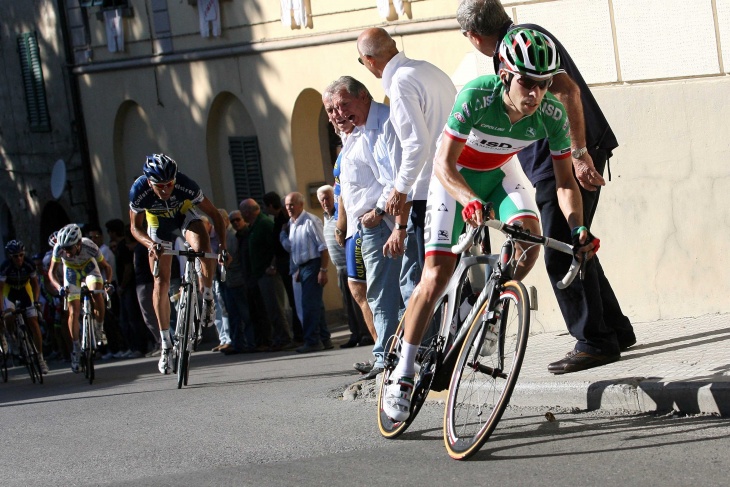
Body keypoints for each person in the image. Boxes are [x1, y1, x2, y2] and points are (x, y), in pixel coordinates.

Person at [381, 28, 597, 421]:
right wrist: (469, 200)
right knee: (434, 277)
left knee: (529, 240)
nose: (535, 94)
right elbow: (443, 164)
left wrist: (578, 227)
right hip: (455, 180)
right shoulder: (478, 96)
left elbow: (565, 183)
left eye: (544, 84)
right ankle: (403, 372)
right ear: (505, 76)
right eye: (527, 83)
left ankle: (491, 311)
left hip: (499, 173)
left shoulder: (550, 113)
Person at [456, 0, 635, 374]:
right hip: (557, 159)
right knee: (574, 242)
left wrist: (580, 154)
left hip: (566, 159)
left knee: (557, 249)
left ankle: (594, 342)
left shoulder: (521, 43)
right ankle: (614, 330)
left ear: (473, 36)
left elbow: (568, 92)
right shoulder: (520, 38)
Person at [356, 27, 457, 294]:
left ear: (370, 60)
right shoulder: (428, 69)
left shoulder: (401, 81)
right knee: (457, 274)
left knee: (435, 282)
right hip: (458, 180)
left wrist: (400, 190)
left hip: (431, 191)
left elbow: (416, 145)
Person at [329, 75, 409, 380]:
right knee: (379, 291)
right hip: (367, 227)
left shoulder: (378, 127)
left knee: (381, 291)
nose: (338, 115)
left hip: (380, 224)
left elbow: (392, 178)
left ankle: (385, 355)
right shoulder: (356, 135)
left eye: (343, 107)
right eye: (333, 111)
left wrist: (377, 212)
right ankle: (385, 351)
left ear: (363, 96)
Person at [128, 153, 227, 374]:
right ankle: (165, 345)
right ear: (149, 182)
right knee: (161, 283)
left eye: (169, 184)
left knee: (202, 247)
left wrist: (223, 246)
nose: (165, 190)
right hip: (157, 225)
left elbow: (215, 215)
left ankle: (208, 296)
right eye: (160, 186)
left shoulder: (185, 184)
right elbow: (135, 227)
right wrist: (149, 244)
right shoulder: (139, 190)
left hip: (183, 217)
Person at [48, 224, 114, 373]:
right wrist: (59, 287)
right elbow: (51, 272)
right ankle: (76, 349)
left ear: (78, 243)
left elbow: (107, 267)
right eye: (64, 249)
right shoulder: (58, 248)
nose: (67, 252)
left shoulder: (89, 245)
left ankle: (99, 328)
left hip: (89, 269)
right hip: (71, 272)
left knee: (97, 293)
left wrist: (107, 283)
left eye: (70, 248)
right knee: (73, 311)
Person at [280, 192, 333, 353]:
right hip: (302, 267)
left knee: (309, 305)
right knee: (315, 304)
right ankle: (324, 338)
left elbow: (323, 247)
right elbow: (293, 248)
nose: (289, 208)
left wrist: (323, 270)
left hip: (313, 264)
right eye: (287, 205)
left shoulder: (311, 221)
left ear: (301, 204)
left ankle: (312, 341)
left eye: (292, 204)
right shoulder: (292, 223)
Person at [317, 185, 368, 349]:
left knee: (358, 301)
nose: (325, 202)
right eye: (322, 200)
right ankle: (355, 334)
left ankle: (366, 334)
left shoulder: (341, 214)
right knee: (348, 303)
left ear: (334, 198)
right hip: (340, 267)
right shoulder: (326, 217)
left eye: (327, 198)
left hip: (351, 262)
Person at [239, 198, 293, 351]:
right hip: (260, 274)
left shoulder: (264, 224)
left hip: (268, 273)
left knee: (276, 307)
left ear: (248, 211)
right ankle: (278, 338)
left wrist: (272, 265)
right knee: (270, 309)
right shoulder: (255, 225)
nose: (242, 214)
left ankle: (284, 338)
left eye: (242, 211)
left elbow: (275, 246)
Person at [0, 240, 49, 374]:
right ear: (10, 256)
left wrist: (37, 301)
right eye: (15, 256)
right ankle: (12, 337)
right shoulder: (5, 267)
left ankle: (40, 358)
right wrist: (2, 310)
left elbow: (35, 284)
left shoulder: (29, 264)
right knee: (8, 315)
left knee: (33, 321)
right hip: (9, 291)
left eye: (21, 255)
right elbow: (1, 290)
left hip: (24, 290)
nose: (19, 258)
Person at [262, 191, 304, 344]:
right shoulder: (279, 219)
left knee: (294, 300)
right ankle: (299, 334)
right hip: (282, 263)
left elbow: (285, 243)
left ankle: (300, 335)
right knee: (293, 300)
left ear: (271, 205)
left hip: (288, 262)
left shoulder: (283, 220)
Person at [220, 210, 256, 354]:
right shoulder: (225, 235)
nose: (235, 223)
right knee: (233, 314)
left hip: (237, 279)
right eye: (233, 220)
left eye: (237, 220)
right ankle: (238, 343)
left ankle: (249, 343)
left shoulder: (232, 236)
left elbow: (234, 258)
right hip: (229, 281)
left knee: (244, 314)